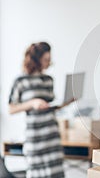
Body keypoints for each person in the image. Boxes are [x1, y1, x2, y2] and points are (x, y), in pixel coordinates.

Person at [8, 42, 65, 178]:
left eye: (49, 60)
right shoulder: (21, 80)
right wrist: (32, 103)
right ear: (36, 59)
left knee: (56, 173)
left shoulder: (49, 80)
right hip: (35, 137)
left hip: (52, 134)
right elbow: (11, 108)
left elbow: (50, 105)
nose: (48, 63)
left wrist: (65, 103)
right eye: (46, 59)